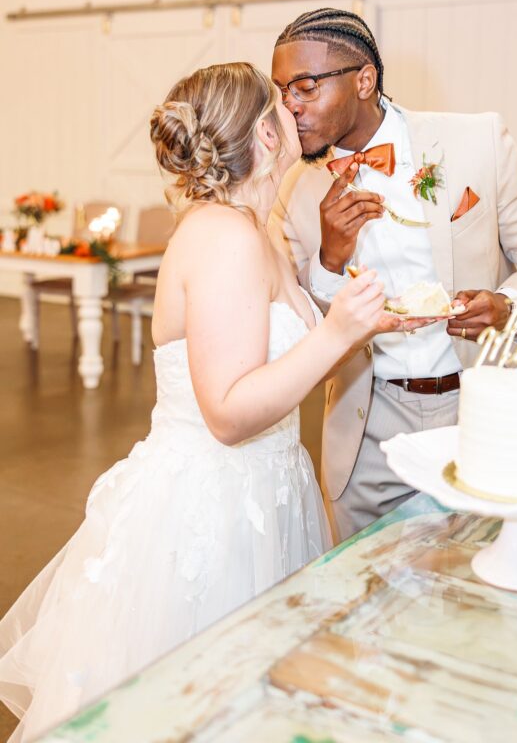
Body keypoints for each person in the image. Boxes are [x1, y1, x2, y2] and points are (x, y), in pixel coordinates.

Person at [0, 62, 400, 742]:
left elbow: (277, 359)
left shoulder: (256, 230)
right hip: (213, 510)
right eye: (281, 105)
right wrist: (336, 333)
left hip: (269, 490)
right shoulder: (223, 237)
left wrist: (355, 322)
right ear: (266, 136)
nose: (295, 111)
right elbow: (228, 414)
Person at [269, 8, 517, 543]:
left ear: (364, 80)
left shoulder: (477, 141)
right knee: (365, 585)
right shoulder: (289, 191)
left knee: (479, 577)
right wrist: (329, 261)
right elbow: (300, 337)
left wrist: (506, 304)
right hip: (366, 429)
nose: (290, 106)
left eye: (306, 87)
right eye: (282, 92)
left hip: (478, 412)